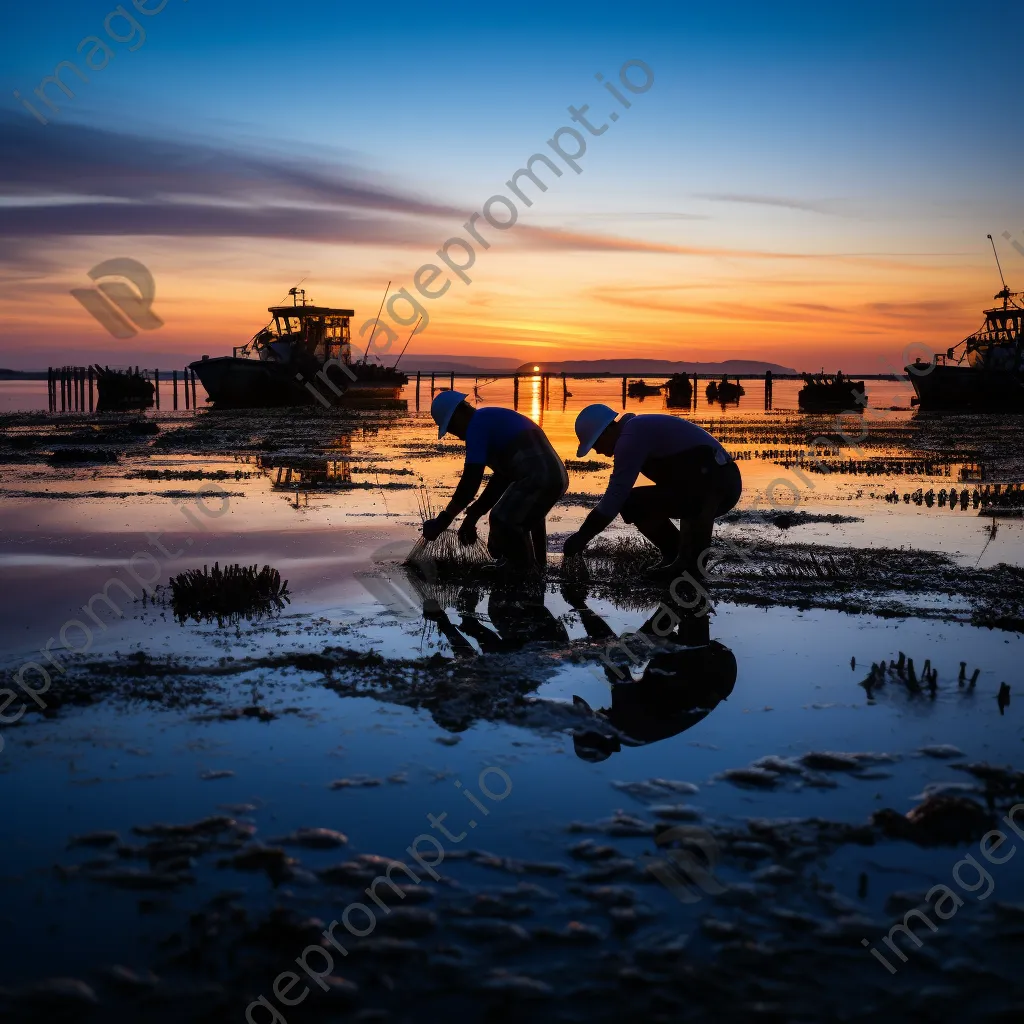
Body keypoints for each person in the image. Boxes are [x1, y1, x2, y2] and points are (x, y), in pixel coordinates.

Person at [562, 405, 741, 577]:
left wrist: (582, 536)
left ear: (607, 431)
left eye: (595, 444)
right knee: (635, 503)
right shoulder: (636, 430)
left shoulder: (631, 437)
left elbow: (614, 497)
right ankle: (676, 554)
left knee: (631, 503)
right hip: (707, 482)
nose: (598, 451)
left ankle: (686, 563)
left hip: (717, 482)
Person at [424, 391, 568, 572]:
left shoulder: (476, 426)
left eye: (452, 428)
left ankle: (522, 574)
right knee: (528, 519)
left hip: (538, 476)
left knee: (502, 521)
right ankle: (538, 571)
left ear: (459, 414)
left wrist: (444, 519)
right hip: (556, 477)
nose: (457, 436)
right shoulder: (491, 419)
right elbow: (502, 478)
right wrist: (472, 516)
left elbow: (470, 481)